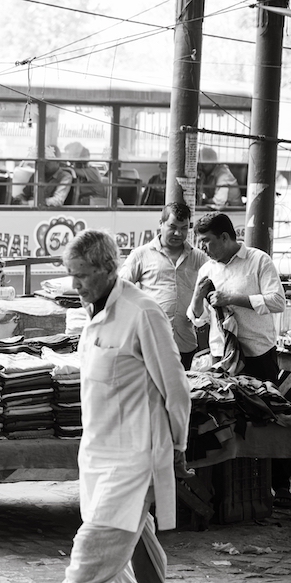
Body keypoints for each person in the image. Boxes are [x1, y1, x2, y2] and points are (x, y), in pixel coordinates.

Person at [63, 229, 192, 583]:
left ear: (108, 268)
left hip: (134, 460)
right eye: (71, 274)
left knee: (88, 561)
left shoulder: (142, 312)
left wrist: (178, 446)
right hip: (97, 455)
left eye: (82, 275)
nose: (75, 284)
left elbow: (176, 388)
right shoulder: (92, 313)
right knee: (136, 543)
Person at [187, 212, 290, 506]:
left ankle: (279, 485)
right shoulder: (207, 269)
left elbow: (277, 301)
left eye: (207, 241)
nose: (202, 247)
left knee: (269, 418)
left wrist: (232, 299)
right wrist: (198, 297)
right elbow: (197, 319)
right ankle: (228, 487)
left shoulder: (258, 261)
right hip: (222, 359)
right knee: (225, 421)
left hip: (257, 354)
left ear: (225, 237)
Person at [119, 202, 208, 370]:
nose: (178, 233)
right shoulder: (141, 255)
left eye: (183, 228)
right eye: (172, 227)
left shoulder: (199, 258)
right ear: (161, 224)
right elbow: (120, 289)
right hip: (150, 342)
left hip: (185, 343)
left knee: (182, 385)